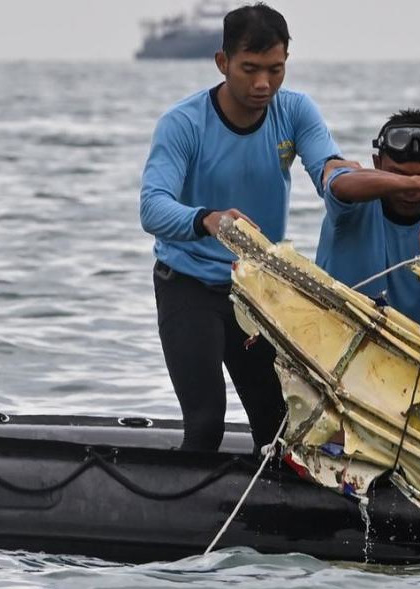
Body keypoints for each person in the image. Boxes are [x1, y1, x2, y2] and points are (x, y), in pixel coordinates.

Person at [139, 3, 349, 451]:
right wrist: (208, 219)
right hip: (189, 285)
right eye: (249, 69)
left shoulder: (294, 111)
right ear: (222, 62)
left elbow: (327, 171)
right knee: (206, 423)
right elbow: (152, 209)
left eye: (275, 70)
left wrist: (376, 182)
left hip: (256, 291)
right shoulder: (183, 123)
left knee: (279, 429)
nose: (262, 84)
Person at [316, 109, 420, 322]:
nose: (412, 190)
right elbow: (338, 184)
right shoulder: (352, 205)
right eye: (398, 174)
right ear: (377, 163)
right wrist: (419, 182)